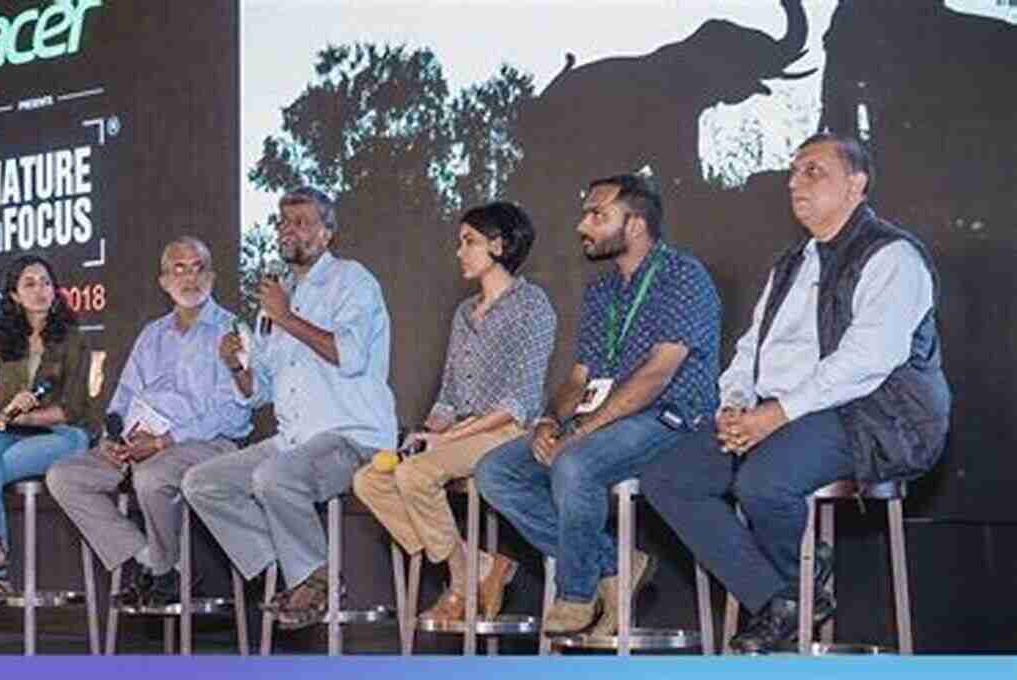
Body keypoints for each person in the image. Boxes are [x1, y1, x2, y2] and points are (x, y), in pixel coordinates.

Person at [642, 133, 950, 654]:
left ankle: (789, 592)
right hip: (779, 412)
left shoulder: (893, 256)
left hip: (874, 414)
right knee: (670, 478)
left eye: (813, 171)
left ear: (857, 184)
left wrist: (775, 416)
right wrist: (736, 404)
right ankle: (784, 595)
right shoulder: (791, 263)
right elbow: (750, 346)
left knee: (763, 483)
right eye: (793, 171)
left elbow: (866, 361)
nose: (794, 182)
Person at [475, 173, 722, 635]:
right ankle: (614, 563)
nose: (582, 225)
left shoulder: (681, 276)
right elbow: (580, 376)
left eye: (597, 215)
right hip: (605, 421)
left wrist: (583, 432)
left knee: (574, 463)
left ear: (635, 224)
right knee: (495, 472)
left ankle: (576, 592)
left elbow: (656, 375)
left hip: (669, 418)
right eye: (585, 213)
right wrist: (552, 420)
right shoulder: (602, 292)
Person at [183, 186, 397, 630]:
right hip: (293, 439)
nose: (288, 230)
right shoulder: (276, 295)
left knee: (273, 477)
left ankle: (315, 579)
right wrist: (236, 367)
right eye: (283, 221)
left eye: (301, 221)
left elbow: (350, 354)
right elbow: (259, 390)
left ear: (327, 234)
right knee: (203, 483)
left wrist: (285, 318)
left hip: (351, 436)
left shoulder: (353, 281)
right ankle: (293, 571)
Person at [353, 201, 555, 622]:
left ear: (498, 245)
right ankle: (475, 565)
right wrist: (427, 432)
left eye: (469, 242)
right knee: (370, 480)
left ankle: (461, 582)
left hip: (508, 434)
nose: (459, 252)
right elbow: (447, 394)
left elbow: (518, 401)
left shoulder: (533, 306)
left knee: (415, 474)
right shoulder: (464, 312)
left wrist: (447, 440)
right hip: (461, 434)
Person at [47, 236, 251, 608]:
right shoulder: (152, 334)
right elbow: (124, 397)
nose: (190, 277)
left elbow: (235, 413)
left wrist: (163, 442)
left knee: (152, 475)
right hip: (140, 444)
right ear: (163, 281)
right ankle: (155, 564)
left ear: (213, 276)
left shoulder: (232, 331)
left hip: (208, 444)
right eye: (179, 268)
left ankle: (161, 568)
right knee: (64, 476)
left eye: (198, 268)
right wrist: (115, 437)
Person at [0, 255, 99, 613]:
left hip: (66, 435)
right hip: (20, 432)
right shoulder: (10, 344)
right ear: (14, 296)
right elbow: (10, 409)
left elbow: (73, 409)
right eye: (30, 283)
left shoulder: (73, 339)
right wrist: (1, 416)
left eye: (46, 282)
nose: (41, 290)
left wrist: (27, 414)